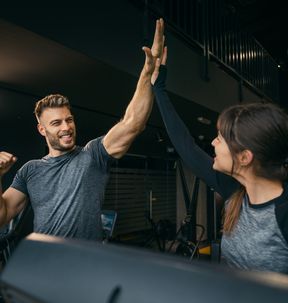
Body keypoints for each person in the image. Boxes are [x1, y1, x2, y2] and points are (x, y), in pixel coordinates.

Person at [0, 18, 165, 242]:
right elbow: (3, 215)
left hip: (86, 263)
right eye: (56, 123)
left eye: (69, 120)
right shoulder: (30, 171)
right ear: (42, 129)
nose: (66, 127)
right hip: (47, 264)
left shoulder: (92, 155)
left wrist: (147, 72)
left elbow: (133, 123)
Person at [151, 46, 288, 278]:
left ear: (244, 157)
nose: (212, 142)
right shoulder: (236, 192)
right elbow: (187, 147)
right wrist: (158, 87)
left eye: (220, 139)